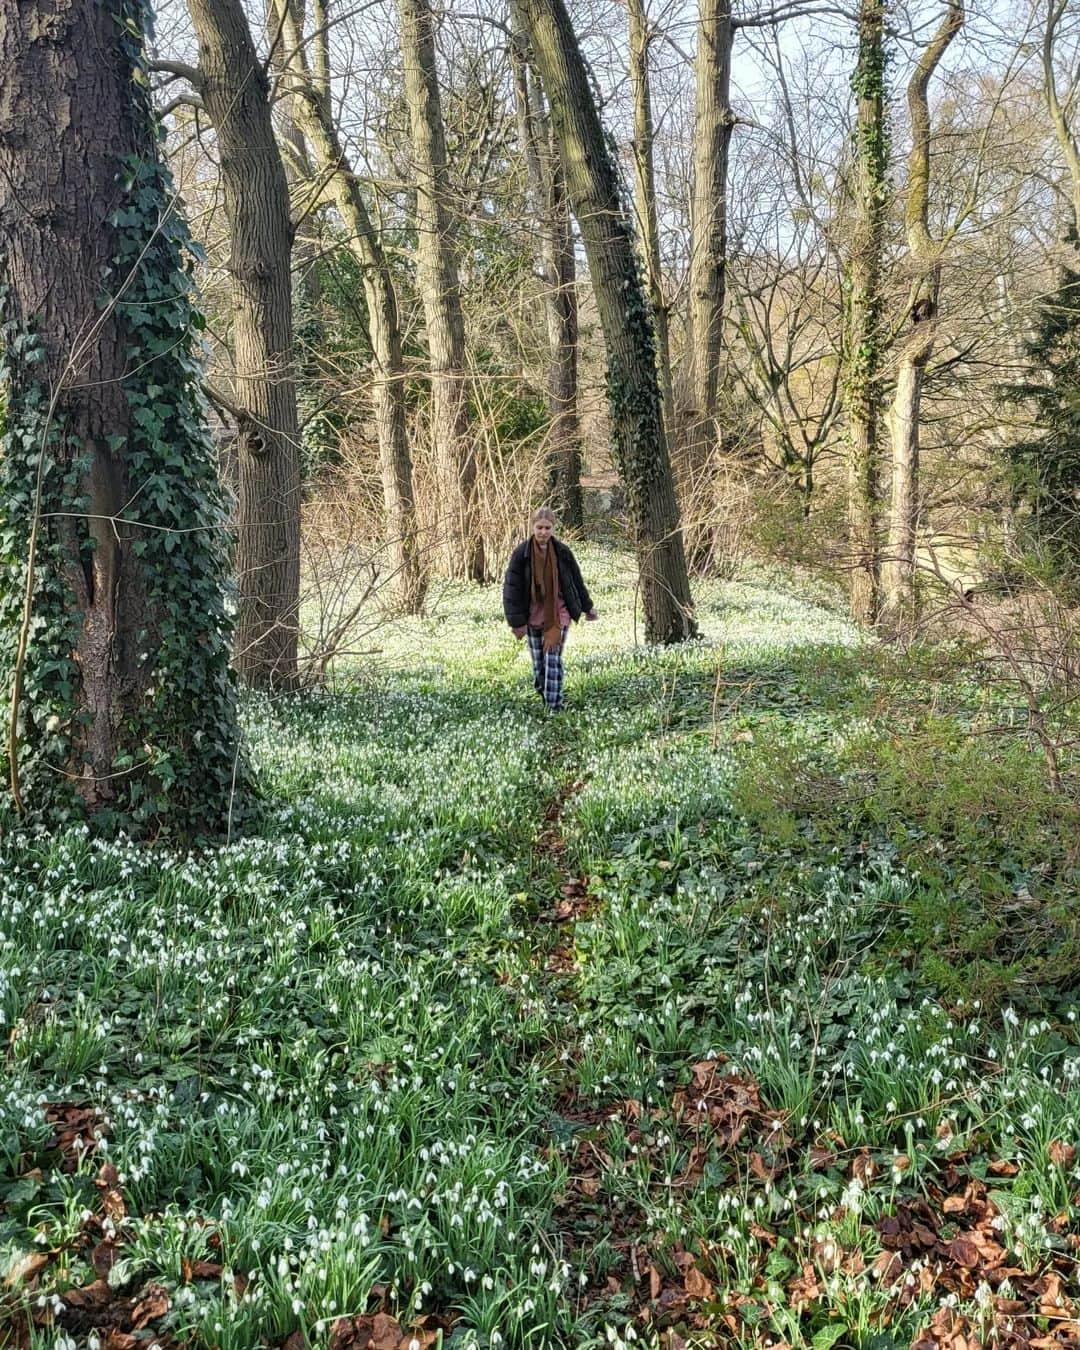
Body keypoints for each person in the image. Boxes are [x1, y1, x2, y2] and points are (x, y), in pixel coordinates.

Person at [502, 507, 598, 712]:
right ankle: (544, 692)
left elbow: (576, 581)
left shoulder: (563, 552)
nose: (543, 532)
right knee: (539, 665)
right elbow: (511, 589)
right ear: (532, 528)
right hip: (533, 615)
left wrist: (587, 607)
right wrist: (516, 622)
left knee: (552, 659)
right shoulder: (521, 554)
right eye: (539, 527)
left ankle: (554, 707)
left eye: (547, 528)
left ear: (553, 528)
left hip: (558, 613)